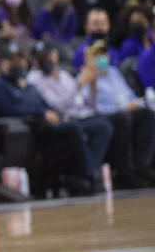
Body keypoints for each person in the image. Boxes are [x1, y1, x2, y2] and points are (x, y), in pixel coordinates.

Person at [0, 43, 96, 195]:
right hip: (31, 132)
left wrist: (53, 114)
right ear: (4, 64)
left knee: (85, 126)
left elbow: (45, 105)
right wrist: (41, 113)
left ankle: (77, 180)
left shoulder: (29, 86)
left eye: (21, 60)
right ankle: (88, 176)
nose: (18, 65)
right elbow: (6, 110)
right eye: (14, 61)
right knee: (73, 129)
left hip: (48, 126)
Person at [26, 45, 113, 190]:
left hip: (77, 115)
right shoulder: (34, 79)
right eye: (42, 56)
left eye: (49, 54)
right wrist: (78, 84)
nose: (48, 59)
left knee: (103, 125)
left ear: (56, 56)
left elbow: (89, 106)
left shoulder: (64, 75)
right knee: (75, 127)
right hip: (57, 121)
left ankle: (86, 172)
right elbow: (58, 106)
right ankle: (90, 174)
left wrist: (92, 86)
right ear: (35, 61)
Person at [81, 43, 155, 187]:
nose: (101, 59)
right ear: (87, 59)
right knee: (123, 118)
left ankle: (142, 166)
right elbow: (90, 107)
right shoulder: (85, 78)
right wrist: (92, 86)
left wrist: (134, 103)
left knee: (147, 115)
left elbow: (129, 95)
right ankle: (123, 170)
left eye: (103, 55)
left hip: (125, 110)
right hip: (105, 115)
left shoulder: (114, 72)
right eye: (96, 56)